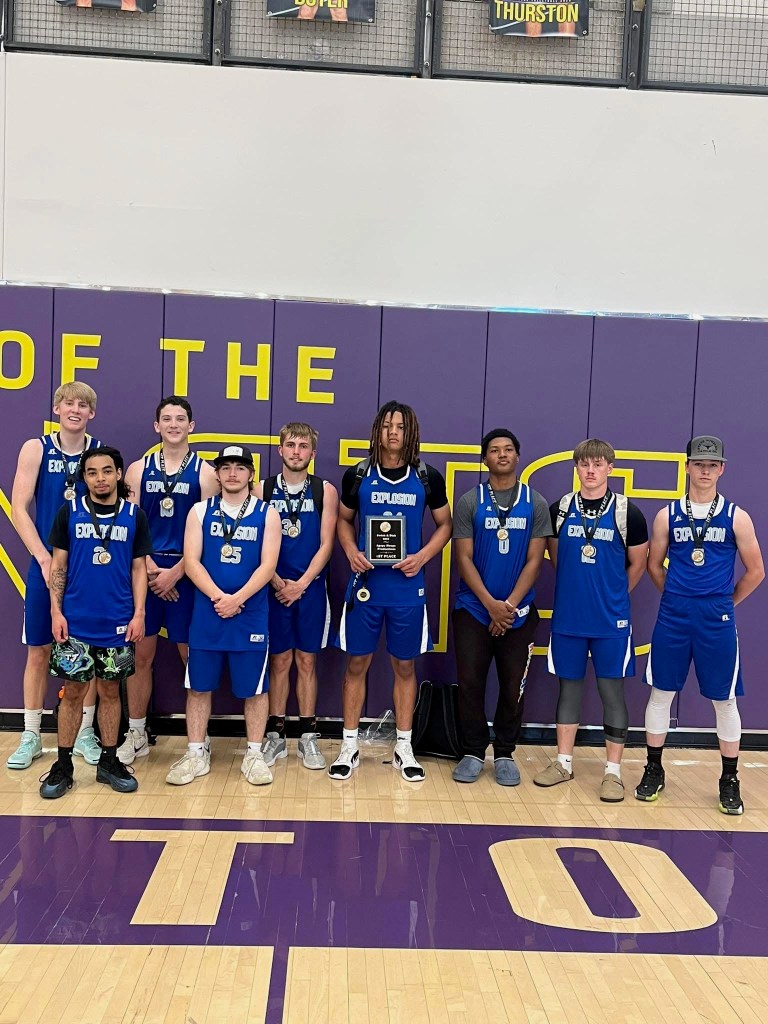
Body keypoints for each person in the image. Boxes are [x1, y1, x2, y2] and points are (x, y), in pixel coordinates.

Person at [636, 435, 764, 815]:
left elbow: (756, 571)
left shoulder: (737, 517)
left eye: (712, 465)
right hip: (674, 614)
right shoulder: (667, 515)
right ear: (687, 467)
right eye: (699, 464)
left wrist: (725, 602)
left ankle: (729, 779)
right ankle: (654, 769)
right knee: (661, 693)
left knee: (724, 699)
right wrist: (677, 595)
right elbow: (653, 565)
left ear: (721, 469)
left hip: (716, 617)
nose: (705, 471)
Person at [332, 401, 452, 782]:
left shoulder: (427, 477)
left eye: (400, 426)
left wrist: (422, 557)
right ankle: (349, 745)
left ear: (410, 431)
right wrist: (350, 551)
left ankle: (404, 746)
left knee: (404, 666)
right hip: (367, 587)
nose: (393, 432)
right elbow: (343, 520)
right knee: (356, 664)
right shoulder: (359, 474)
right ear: (377, 431)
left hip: (407, 588)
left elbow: (446, 525)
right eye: (387, 426)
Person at [534, 439, 648, 802]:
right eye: (585, 464)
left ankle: (613, 772)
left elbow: (639, 564)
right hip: (569, 618)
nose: (591, 471)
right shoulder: (560, 509)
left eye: (598, 464)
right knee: (568, 689)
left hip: (611, 622)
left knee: (611, 691)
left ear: (610, 468)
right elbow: (557, 558)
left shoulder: (628, 513)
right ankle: (563, 763)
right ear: (577, 468)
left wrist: (613, 595)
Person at [166, 445, 281, 787]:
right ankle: (196, 753)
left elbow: (268, 566)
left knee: (255, 690)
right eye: (226, 467)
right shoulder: (200, 511)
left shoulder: (267, 513)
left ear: (250, 473)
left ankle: (254, 754)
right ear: (217, 473)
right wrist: (220, 598)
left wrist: (238, 599)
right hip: (208, 613)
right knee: (198, 687)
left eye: (240, 467)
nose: (233, 473)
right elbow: (191, 562)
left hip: (250, 614)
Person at [41, 446, 152, 799]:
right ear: (84, 477)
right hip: (75, 622)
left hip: (118, 621)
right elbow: (58, 566)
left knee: (110, 691)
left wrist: (139, 613)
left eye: (106, 471)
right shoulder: (69, 511)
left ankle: (108, 761)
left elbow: (138, 569)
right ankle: (63, 765)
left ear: (118, 474)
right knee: (73, 692)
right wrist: (56, 612)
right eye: (92, 472)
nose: (100, 478)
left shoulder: (134, 515)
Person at [9, 381, 103, 771]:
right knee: (39, 650)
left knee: (89, 651)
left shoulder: (99, 453)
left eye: (83, 405)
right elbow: (18, 507)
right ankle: (31, 734)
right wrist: (44, 558)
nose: (75, 410)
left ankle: (84, 732)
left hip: (87, 569)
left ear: (91, 413)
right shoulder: (36, 448)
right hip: (45, 563)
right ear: (57, 408)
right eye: (69, 403)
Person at [118, 397, 218, 765]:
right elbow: (129, 524)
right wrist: (147, 566)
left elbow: (209, 530)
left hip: (187, 572)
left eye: (180, 419)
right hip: (145, 569)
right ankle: (137, 733)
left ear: (192, 426)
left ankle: (199, 738)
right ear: (156, 426)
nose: (173, 424)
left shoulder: (206, 474)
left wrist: (179, 570)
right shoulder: (137, 470)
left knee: (191, 655)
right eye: (166, 419)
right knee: (140, 655)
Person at [451, 429, 551, 786]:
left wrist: (506, 607)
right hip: (474, 609)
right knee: (470, 683)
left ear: (518, 456)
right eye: (494, 450)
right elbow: (463, 558)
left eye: (509, 449)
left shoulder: (535, 502)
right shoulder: (470, 501)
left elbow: (535, 560)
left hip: (517, 614)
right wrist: (490, 605)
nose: (502, 454)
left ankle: (505, 752)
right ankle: (473, 751)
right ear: (485, 459)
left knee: (513, 686)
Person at [255, 423, 339, 772]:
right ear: (280, 449)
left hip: (310, 589)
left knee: (306, 661)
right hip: (273, 588)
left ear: (312, 453)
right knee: (279, 661)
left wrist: (300, 584)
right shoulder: (262, 489)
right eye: (290, 445)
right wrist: (277, 582)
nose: (296, 451)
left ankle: (307, 736)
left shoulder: (325, 490)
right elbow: (256, 541)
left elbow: (327, 544)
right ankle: (275, 735)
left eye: (303, 446)